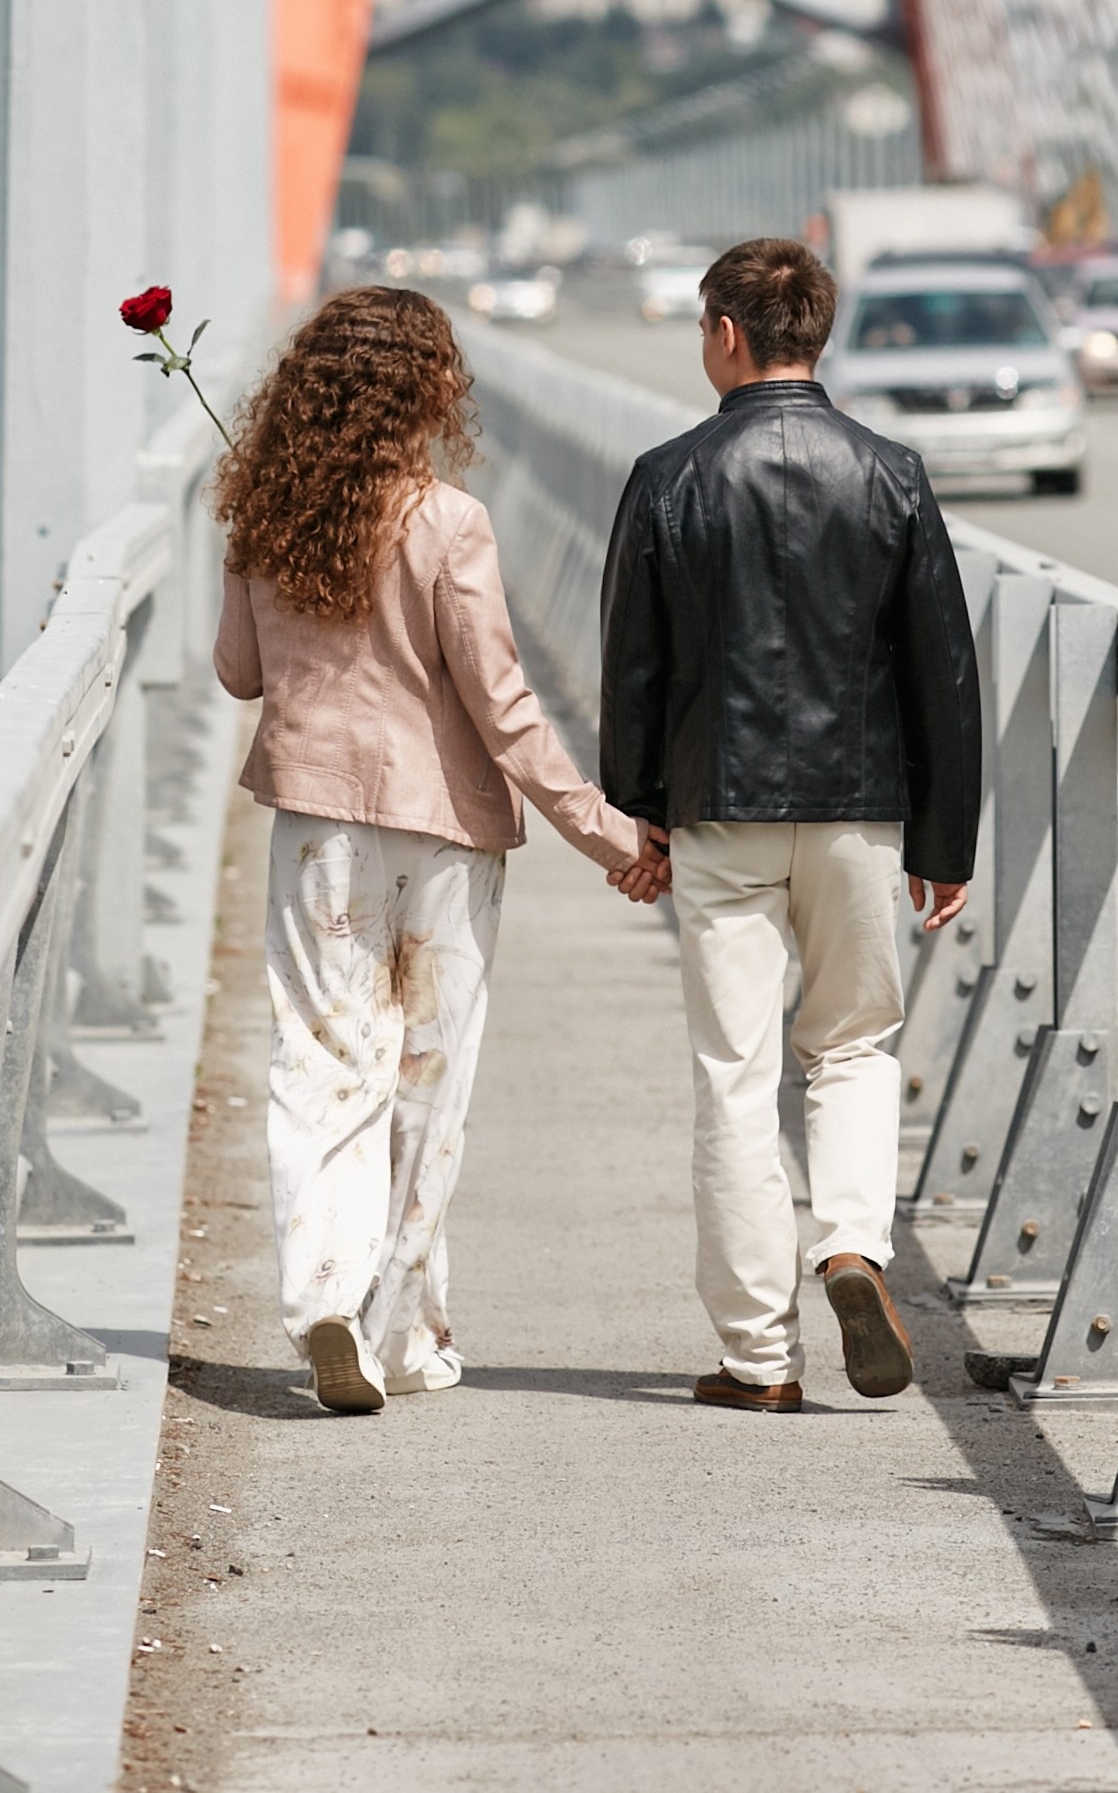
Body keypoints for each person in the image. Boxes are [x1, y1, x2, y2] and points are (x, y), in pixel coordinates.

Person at [213, 285, 666, 1415]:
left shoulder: (263, 515)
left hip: (318, 825)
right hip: (447, 832)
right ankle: (390, 1332)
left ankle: (327, 1298)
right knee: (426, 1081)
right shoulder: (448, 521)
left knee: (324, 1063)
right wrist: (607, 833)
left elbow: (238, 673)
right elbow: (503, 705)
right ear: (426, 389)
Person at [599, 235, 982, 1412]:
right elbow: (941, 668)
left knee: (734, 1072)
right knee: (854, 1048)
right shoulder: (890, 472)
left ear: (724, 333)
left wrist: (642, 815)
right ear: (818, 331)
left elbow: (635, 666)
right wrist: (945, 840)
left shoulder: (669, 475)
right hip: (862, 808)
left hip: (720, 810)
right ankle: (853, 1246)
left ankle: (759, 1359)